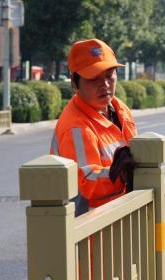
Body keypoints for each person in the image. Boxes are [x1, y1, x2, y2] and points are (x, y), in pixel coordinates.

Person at [50, 39, 137, 216]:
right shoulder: (76, 127)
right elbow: (88, 181)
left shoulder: (120, 109)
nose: (104, 85)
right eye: (93, 79)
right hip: (90, 232)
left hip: (118, 219)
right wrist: (120, 175)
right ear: (75, 83)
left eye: (108, 75)